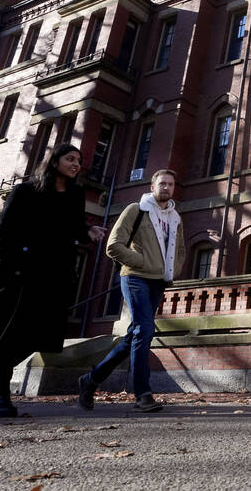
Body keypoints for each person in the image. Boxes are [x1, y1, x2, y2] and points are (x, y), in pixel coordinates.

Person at [0, 143, 107, 418]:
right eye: (70, 158)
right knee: (7, 333)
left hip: (52, 276)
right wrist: (2, 262)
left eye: (79, 160)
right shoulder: (26, 191)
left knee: (37, 333)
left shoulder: (74, 194)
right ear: (55, 161)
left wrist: (88, 230)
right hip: (18, 273)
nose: (76, 164)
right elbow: (1, 229)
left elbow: (70, 227)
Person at [78, 169, 183, 413]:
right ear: (152, 187)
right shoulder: (136, 210)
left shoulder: (176, 217)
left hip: (159, 281)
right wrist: (142, 261)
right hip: (135, 277)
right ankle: (142, 394)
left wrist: (171, 269)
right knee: (145, 329)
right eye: (162, 184)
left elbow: (180, 250)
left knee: (134, 335)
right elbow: (113, 245)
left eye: (170, 184)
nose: (166, 187)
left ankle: (90, 380)